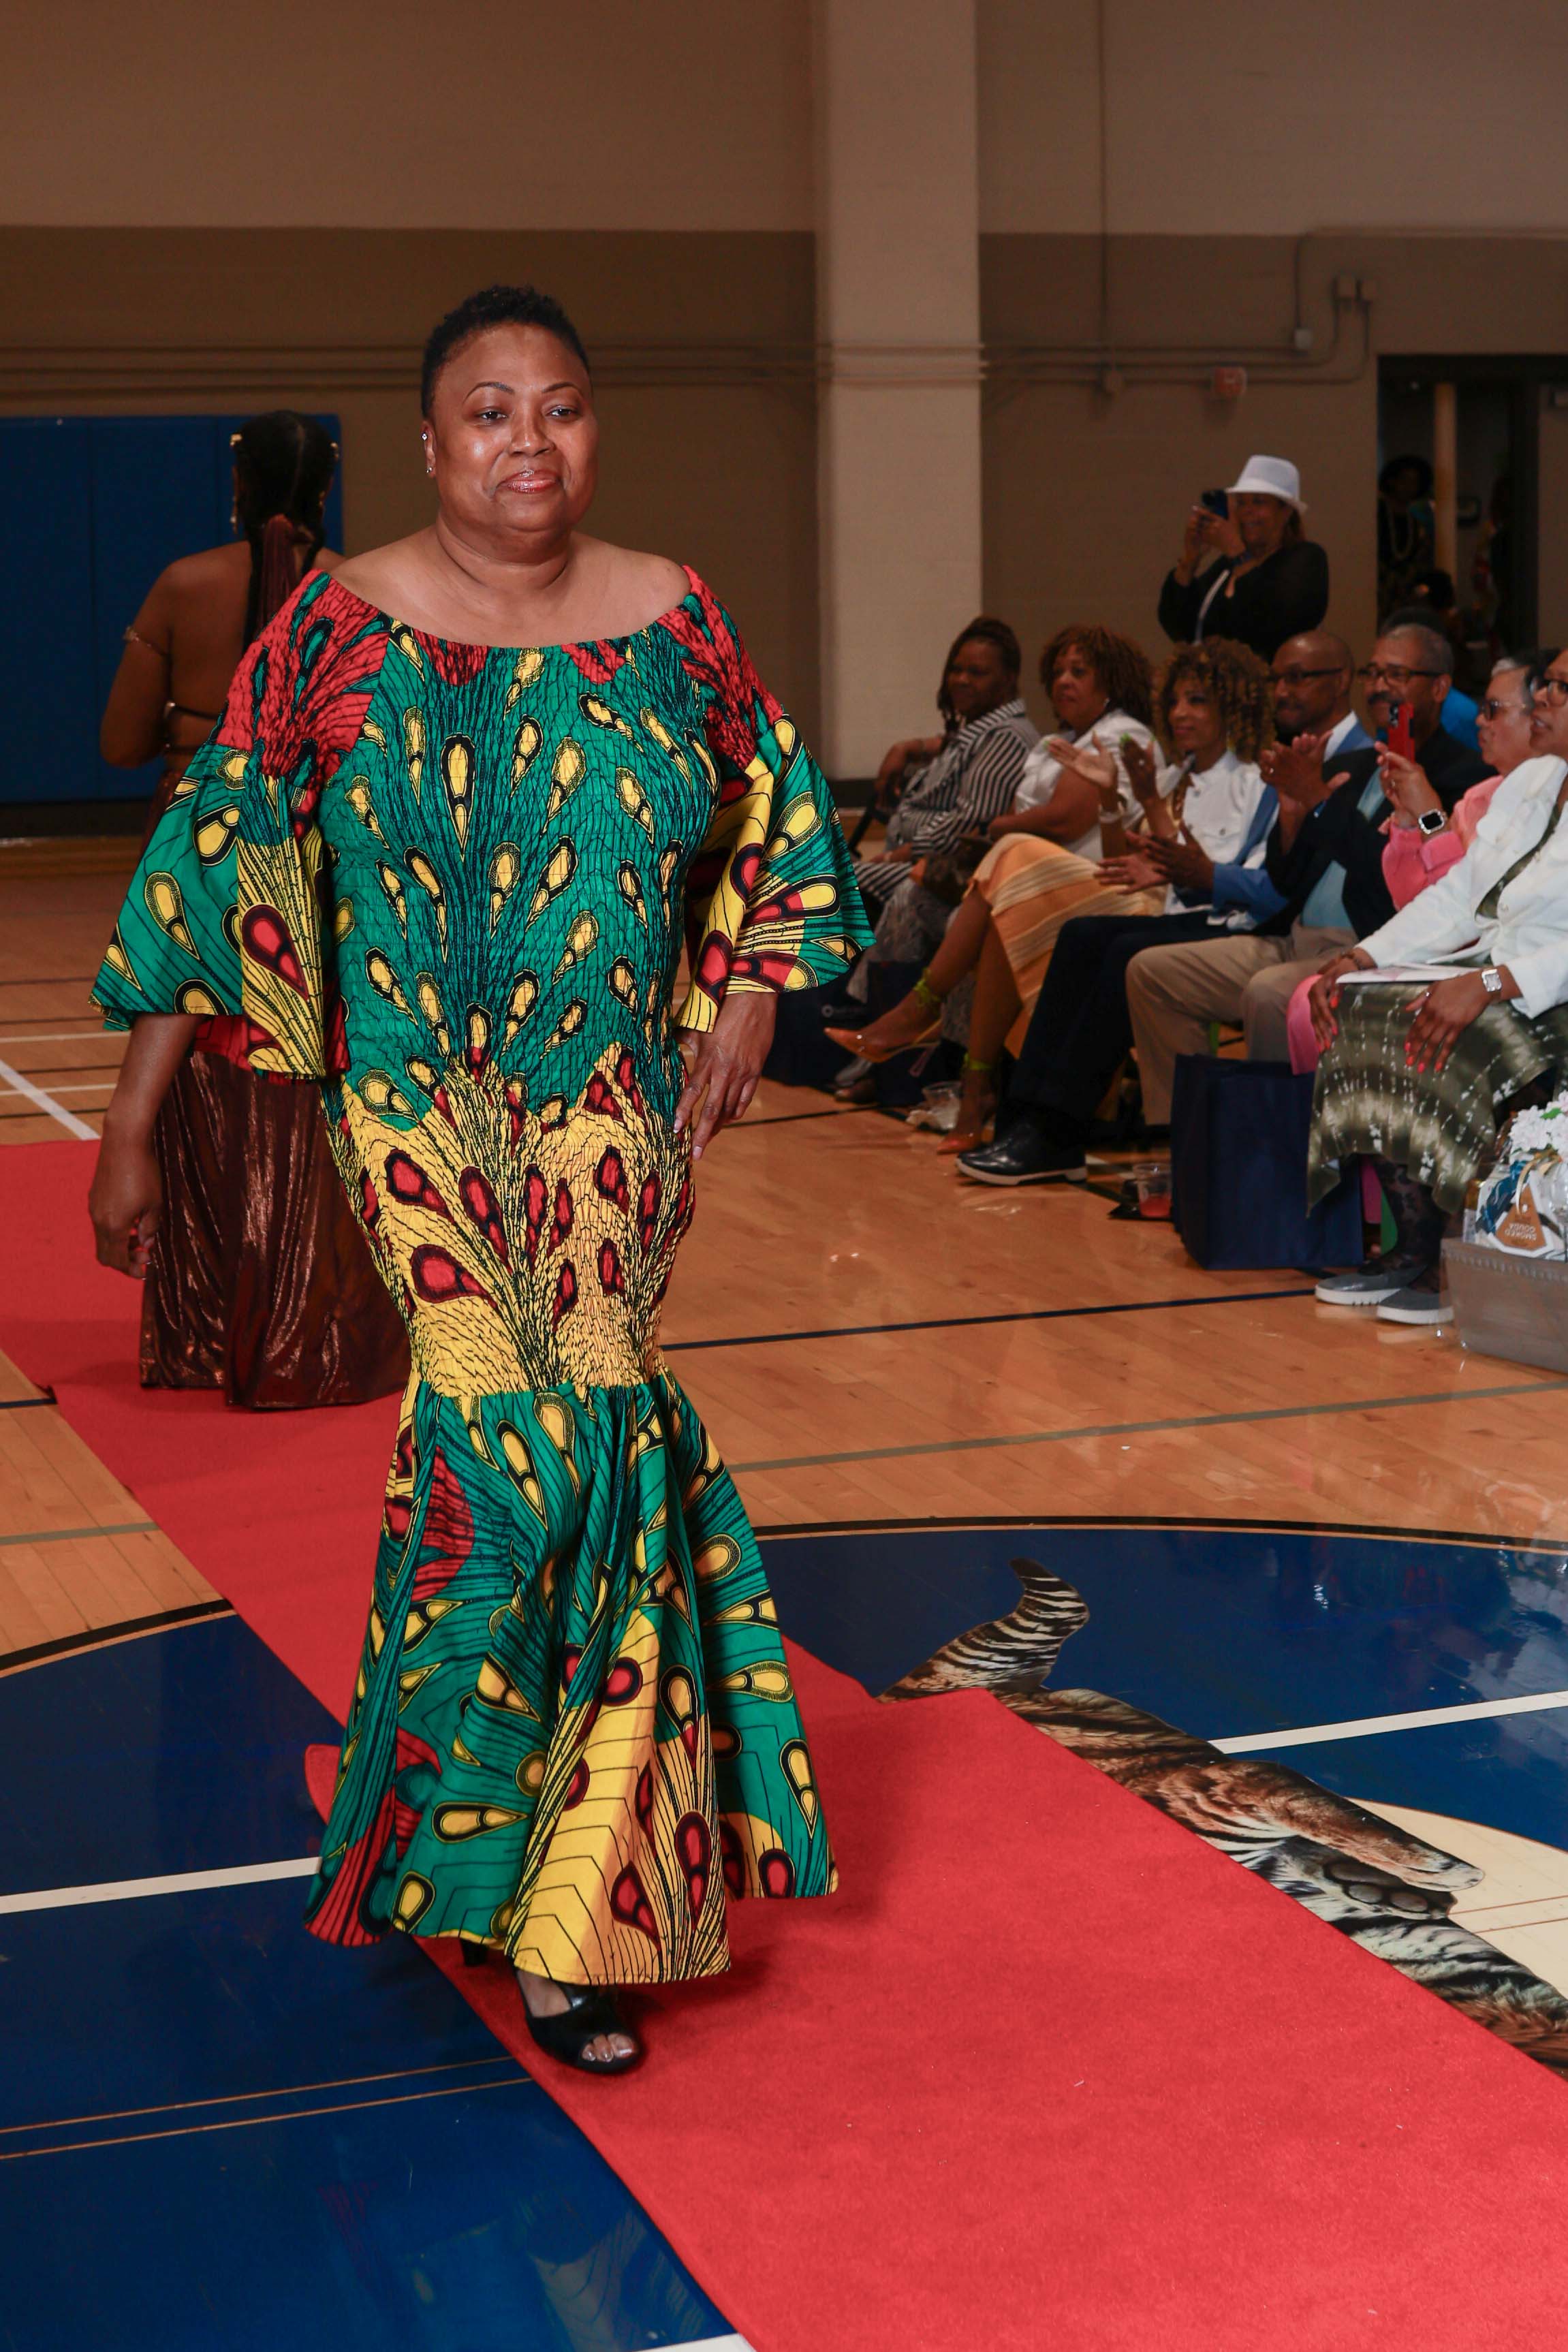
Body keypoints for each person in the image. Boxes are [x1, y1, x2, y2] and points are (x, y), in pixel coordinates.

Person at [88, 283, 873, 2075]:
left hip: (614, 1115)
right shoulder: (335, 627)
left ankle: (513, 1858)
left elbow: (776, 814)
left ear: (595, 429)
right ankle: (553, 1901)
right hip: (425, 1117)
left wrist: (751, 986)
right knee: (518, 1451)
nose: (531, 440)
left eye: (561, 407)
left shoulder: (674, 616)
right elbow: (221, 862)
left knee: (578, 1436)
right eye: (491, 410)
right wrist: (133, 1124)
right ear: (432, 440)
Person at [98, 411, 409, 1410]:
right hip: (319, 872)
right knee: (304, 1083)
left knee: (193, 1065)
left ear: (238, 489)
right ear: (326, 490)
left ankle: (203, 1331)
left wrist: (190, 728)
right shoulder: (366, 593)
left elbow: (117, 743)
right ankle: (308, 1330)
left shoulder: (183, 585)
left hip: (193, 852)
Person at [1123, 625, 1490, 1125]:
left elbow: (1405, 881)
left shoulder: (1460, 775)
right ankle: (1191, 1137)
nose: (1379, 686)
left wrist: (1319, 800)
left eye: (1397, 674)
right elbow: (1287, 882)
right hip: (1296, 937)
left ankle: (1276, 1146)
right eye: (1373, 673)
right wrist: (1293, 814)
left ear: (1440, 687)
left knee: (1270, 992)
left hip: (1369, 945)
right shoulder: (1357, 763)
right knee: (1151, 973)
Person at [1306, 644, 1568, 1326]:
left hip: (1548, 990)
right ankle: (1413, 1246)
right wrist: (1363, 956)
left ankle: (1459, 1254)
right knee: (1364, 1006)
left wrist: (1489, 983)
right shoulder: (1534, 780)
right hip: (1493, 971)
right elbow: (1457, 895)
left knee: (1464, 1030)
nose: (1545, 697)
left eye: (1561, 688)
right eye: (1546, 685)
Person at [826, 623, 1163, 1146]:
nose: (1063, 681)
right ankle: (962, 1078)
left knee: (993, 880)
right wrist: (1002, 825)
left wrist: (1003, 827)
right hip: (1035, 886)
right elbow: (1013, 814)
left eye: (1079, 672)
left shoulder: (1122, 734)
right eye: (1058, 672)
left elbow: (1063, 819)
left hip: (1094, 884)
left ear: (1111, 681)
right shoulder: (1056, 742)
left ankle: (926, 1027)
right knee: (945, 903)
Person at [954, 639, 1275, 1185]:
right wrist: (1110, 798)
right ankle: (1023, 1120)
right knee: (1081, 936)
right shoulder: (1172, 776)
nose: (1180, 713)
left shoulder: (1249, 782)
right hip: (1168, 909)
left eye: (1197, 701)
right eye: (1174, 701)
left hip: (1218, 919)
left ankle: (1057, 1128)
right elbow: (1118, 862)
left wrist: (1149, 809)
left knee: (1119, 952)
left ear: (1232, 706)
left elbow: (1204, 875)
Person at [1284, 654, 1552, 1074]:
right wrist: (1411, 821)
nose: (1480, 721)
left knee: (1336, 1010)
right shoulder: (1508, 791)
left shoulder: (1472, 777)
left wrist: (1428, 815)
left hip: (1524, 987)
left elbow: (1476, 911)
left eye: (1493, 710)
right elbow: (1437, 896)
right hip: (1466, 963)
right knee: (1321, 998)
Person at [837, 619, 1035, 1058]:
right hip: (919, 864)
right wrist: (909, 747)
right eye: (956, 669)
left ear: (1008, 679)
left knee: (833, 881)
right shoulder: (976, 731)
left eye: (977, 672)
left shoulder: (1007, 738)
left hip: (948, 873)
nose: (961, 679)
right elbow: (953, 748)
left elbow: (968, 826)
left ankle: (863, 1018)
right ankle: (849, 1021)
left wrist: (895, 856)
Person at [1157, 456, 1328, 661]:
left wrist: (1236, 551)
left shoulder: (1306, 559)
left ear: (1286, 511)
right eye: (1240, 502)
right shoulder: (1225, 568)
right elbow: (1178, 628)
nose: (1247, 511)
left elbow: (1276, 623)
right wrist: (1190, 559)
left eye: (1258, 502)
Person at [1377, 454, 1436, 619]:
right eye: (1404, 480)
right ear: (1392, 481)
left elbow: (1422, 563)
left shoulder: (1417, 526)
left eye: (1414, 482)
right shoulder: (1376, 517)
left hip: (1405, 601)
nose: (1409, 487)